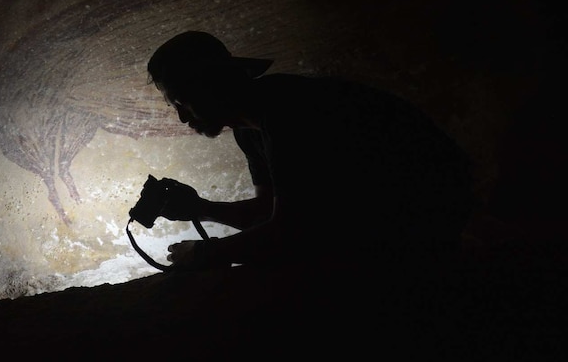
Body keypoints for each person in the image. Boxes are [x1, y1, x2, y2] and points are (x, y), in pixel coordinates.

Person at [145, 31, 475, 270]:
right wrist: (200, 208)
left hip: (428, 218)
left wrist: (204, 254)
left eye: (180, 101)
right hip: (393, 220)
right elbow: (273, 213)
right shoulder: (251, 129)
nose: (182, 117)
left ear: (209, 86)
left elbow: (293, 232)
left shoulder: (290, 112)